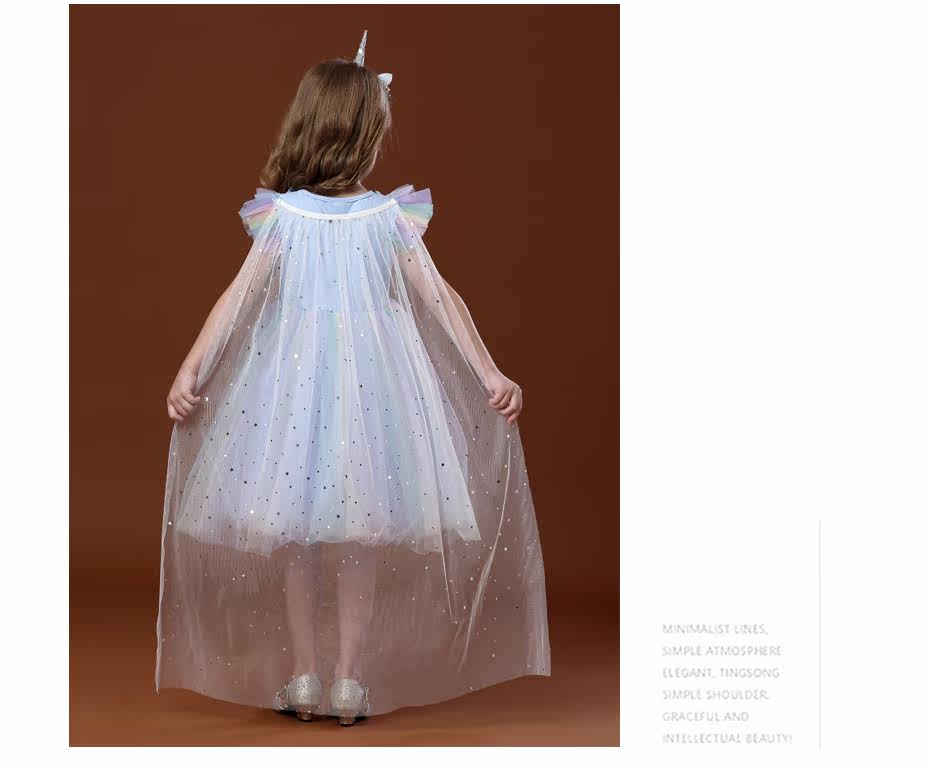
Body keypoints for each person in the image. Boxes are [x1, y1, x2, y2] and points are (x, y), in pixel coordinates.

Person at [156, 31, 550, 726]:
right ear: (366, 135)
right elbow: (440, 298)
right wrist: (487, 369)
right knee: (361, 531)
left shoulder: (286, 217)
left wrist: (193, 365)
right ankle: (346, 681)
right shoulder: (386, 218)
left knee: (296, 531)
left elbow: (239, 297)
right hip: (375, 391)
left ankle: (307, 676)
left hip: (290, 387)